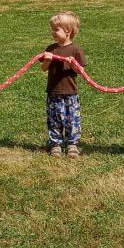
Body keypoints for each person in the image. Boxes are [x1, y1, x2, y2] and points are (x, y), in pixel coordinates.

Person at [41, 11, 87, 157]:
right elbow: (43, 68)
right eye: (52, 29)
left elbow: (81, 71)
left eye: (56, 29)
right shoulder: (51, 49)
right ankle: (55, 144)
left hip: (70, 93)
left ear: (68, 31)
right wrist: (47, 60)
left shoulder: (76, 50)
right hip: (53, 92)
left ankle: (72, 144)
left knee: (72, 119)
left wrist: (73, 64)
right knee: (54, 119)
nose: (53, 32)